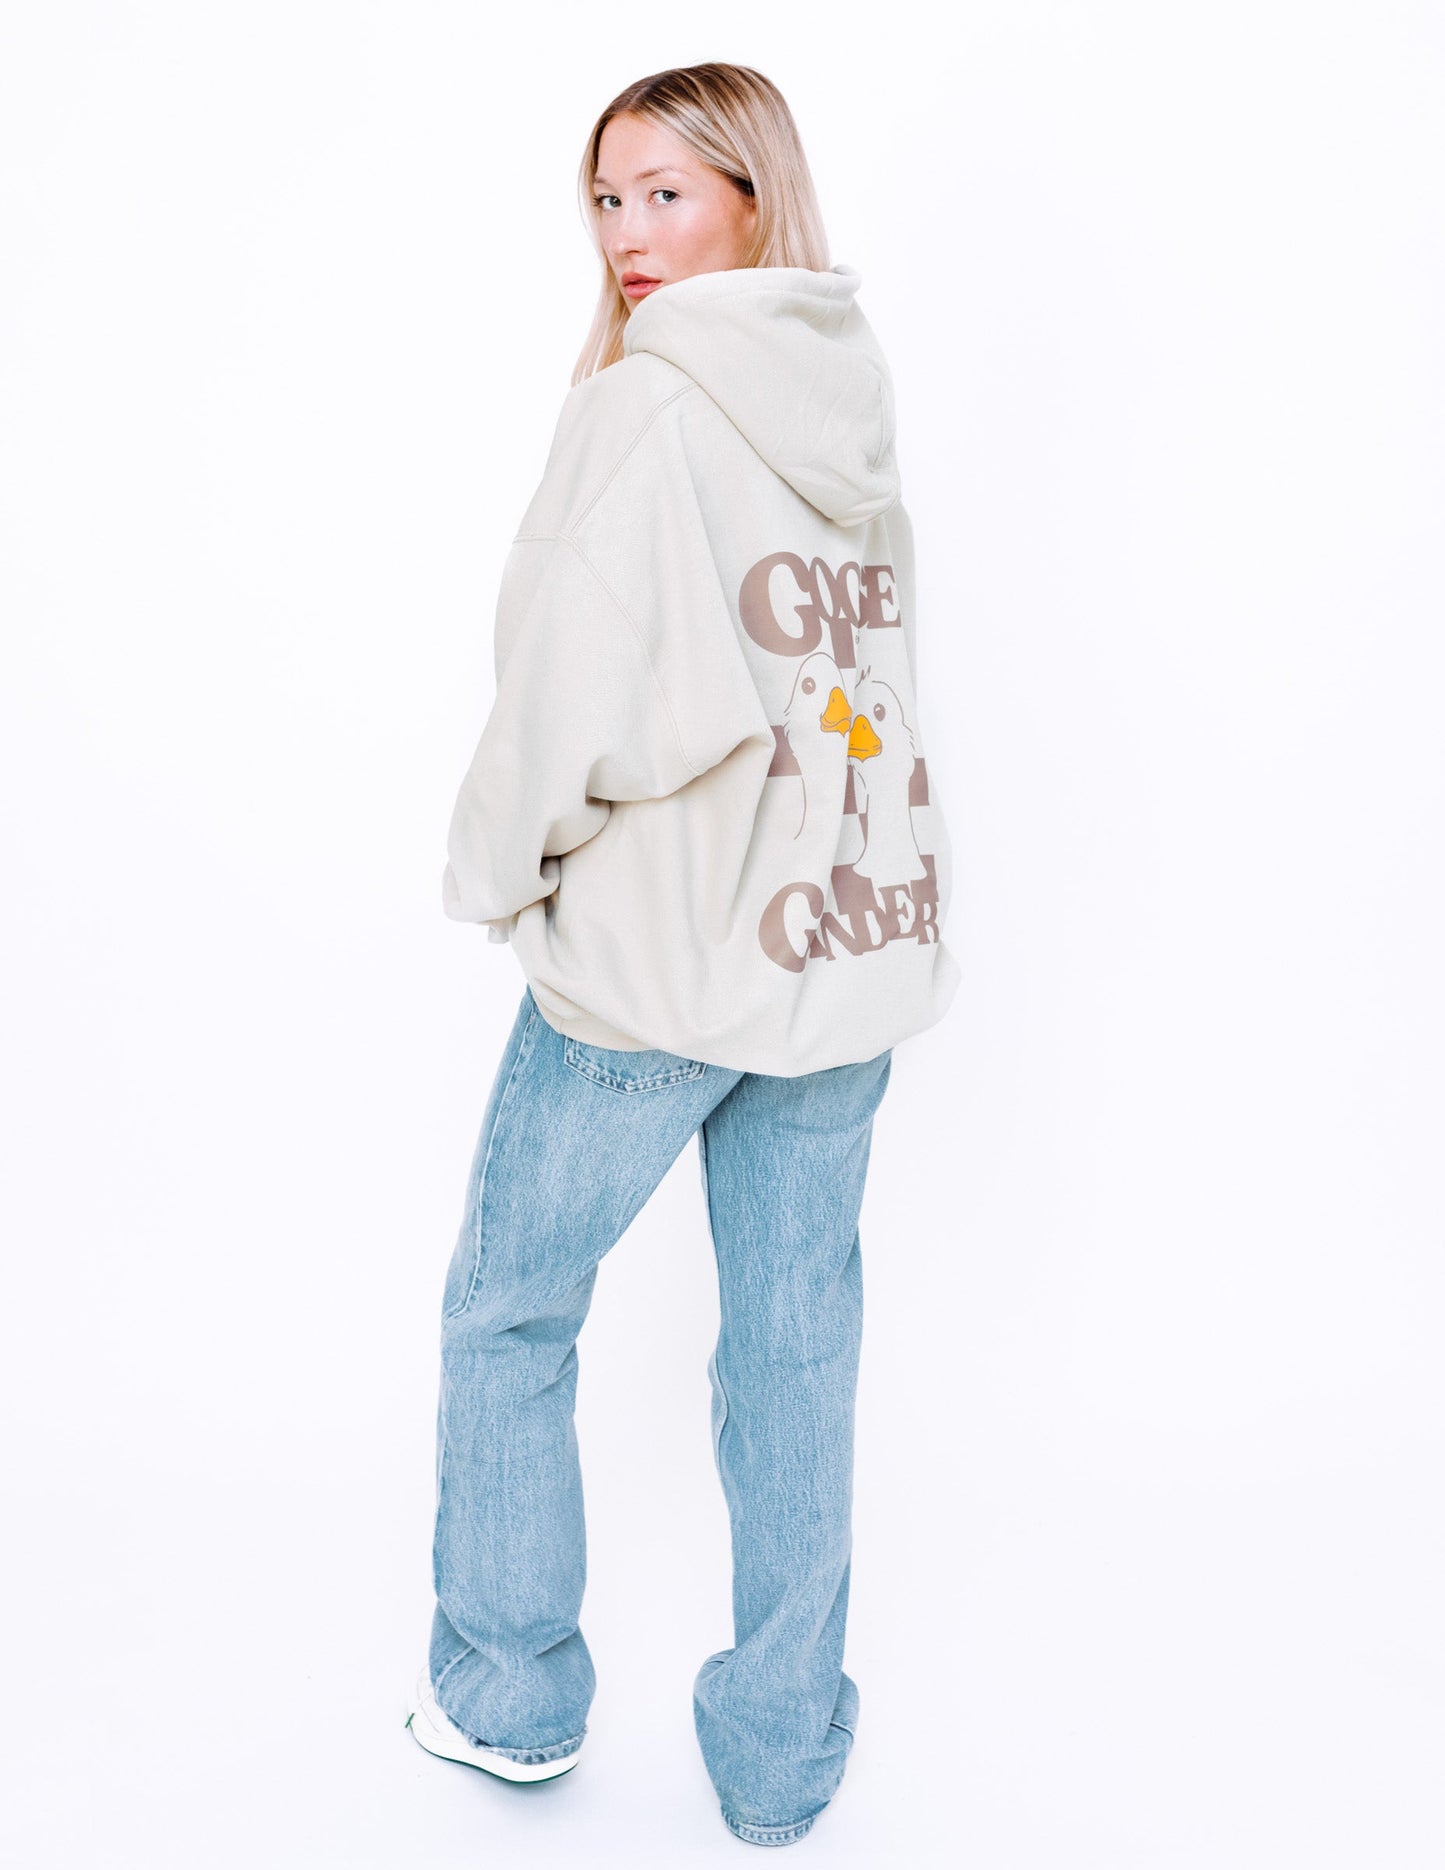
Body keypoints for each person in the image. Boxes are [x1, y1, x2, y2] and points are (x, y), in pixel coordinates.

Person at [404, 61, 962, 1848]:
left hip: (657, 961)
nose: (628, 235)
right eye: (606, 198)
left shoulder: (647, 406)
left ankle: (509, 1695)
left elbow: (565, 692)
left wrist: (499, 876)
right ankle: (782, 1751)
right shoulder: (844, 394)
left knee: (508, 1311)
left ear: (750, 194)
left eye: (666, 192)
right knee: (793, 1353)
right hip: (835, 944)